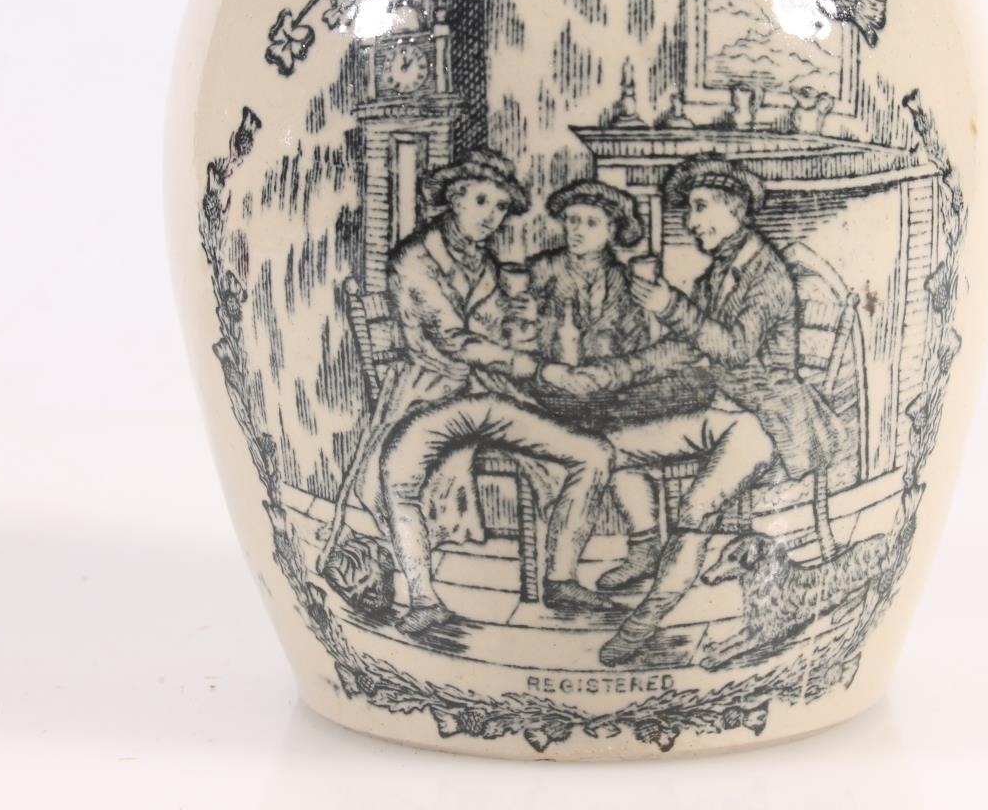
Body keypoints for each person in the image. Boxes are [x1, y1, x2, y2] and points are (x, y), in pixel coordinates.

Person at [567, 155, 845, 666]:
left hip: (766, 419)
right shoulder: (717, 273)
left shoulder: (768, 274)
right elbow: (686, 346)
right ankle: (646, 546)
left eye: (699, 208)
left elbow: (734, 348)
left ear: (733, 207)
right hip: (722, 408)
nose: (691, 222)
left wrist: (668, 305)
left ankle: (645, 620)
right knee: (612, 449)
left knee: (696, 508)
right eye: (688, 211)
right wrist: (616, 372)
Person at [343, 150, 618, 637]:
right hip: (431, 395)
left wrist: (524, 330)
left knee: (593, 453)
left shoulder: (487, 265)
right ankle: (423, 599)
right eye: (482, 202)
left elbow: (496, 337)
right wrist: (535, 366)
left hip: (489, 394)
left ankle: (560, 578)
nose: (492, 216)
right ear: (454, 198)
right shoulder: (414, 259)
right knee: (397, 478)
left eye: (500, 207)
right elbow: (454, 340)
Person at [518, 180, 710, 593]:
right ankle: (640, 546)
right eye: (572, 220)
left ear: (612, 231)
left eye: (590, 222)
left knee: (630, 425)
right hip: (549, 390)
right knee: (615, 429)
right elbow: (514, 334)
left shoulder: (624, 281)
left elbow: (635, 347)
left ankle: (645, 547)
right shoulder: (540, 271)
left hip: (604, 393)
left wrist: (611, 371)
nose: (577, 230)